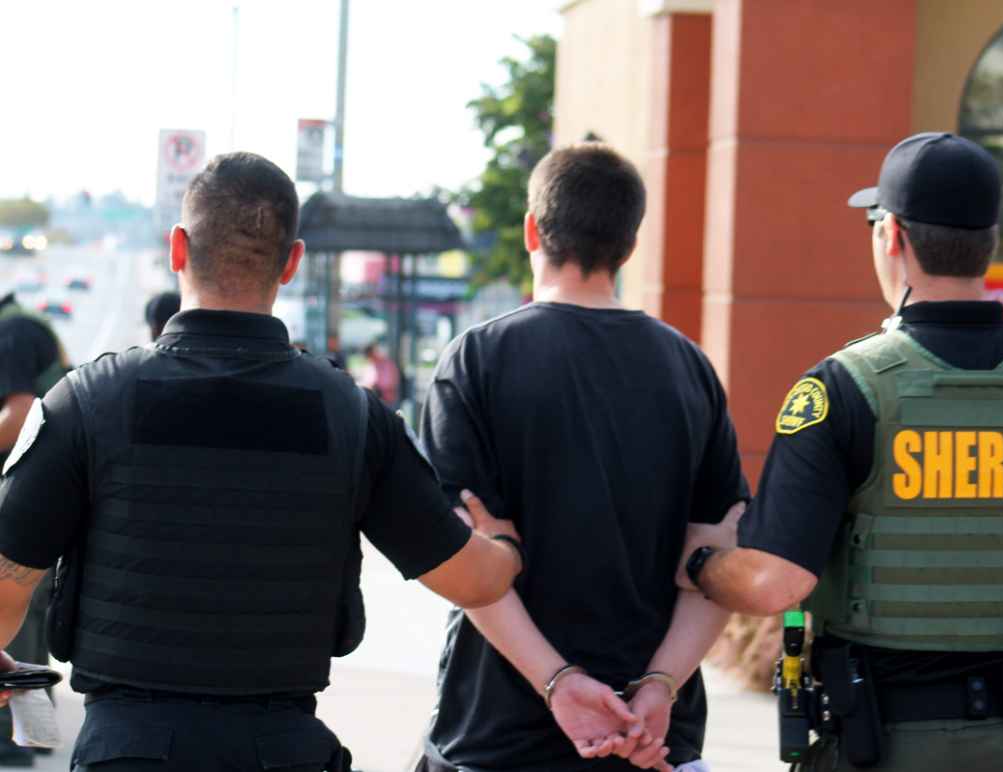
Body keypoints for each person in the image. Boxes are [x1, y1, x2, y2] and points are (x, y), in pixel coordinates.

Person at [0, 152, 526, 772]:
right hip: (284, 750)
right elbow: (471, 582)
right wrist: (503, 545)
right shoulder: (354, 417)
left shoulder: (86, 403)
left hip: (127, 750)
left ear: (177, 249)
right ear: (293, 260)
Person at [679, 133, 1003, 771]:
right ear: (991, 242)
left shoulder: (841, 389)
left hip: (884, 743)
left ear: (890, 235)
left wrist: (699, 561)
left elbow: (773, 583)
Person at [415, 142, 749, 772]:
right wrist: (659, 687)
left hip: (498, 733)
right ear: (630, 242)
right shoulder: (689, 369)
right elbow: (714, 563)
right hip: (653, 740)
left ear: (532, 231)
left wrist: (558, 683)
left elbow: (464, 561)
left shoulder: (477, 360)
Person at [0, 292, 68, 766]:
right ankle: (32, 734)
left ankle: (11, 739)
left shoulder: (12, 333)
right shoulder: (24, 325)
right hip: (38, 495)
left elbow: (20, 413)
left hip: (22, 497)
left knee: (12, 613)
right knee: (26, 620)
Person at [356, 341, 401, 407]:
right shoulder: (370, 365)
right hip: (373, 402)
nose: (372, 357)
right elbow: (365, 382)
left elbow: (390, 384)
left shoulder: (387, 364)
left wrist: (374, 384)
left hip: (386, 403)